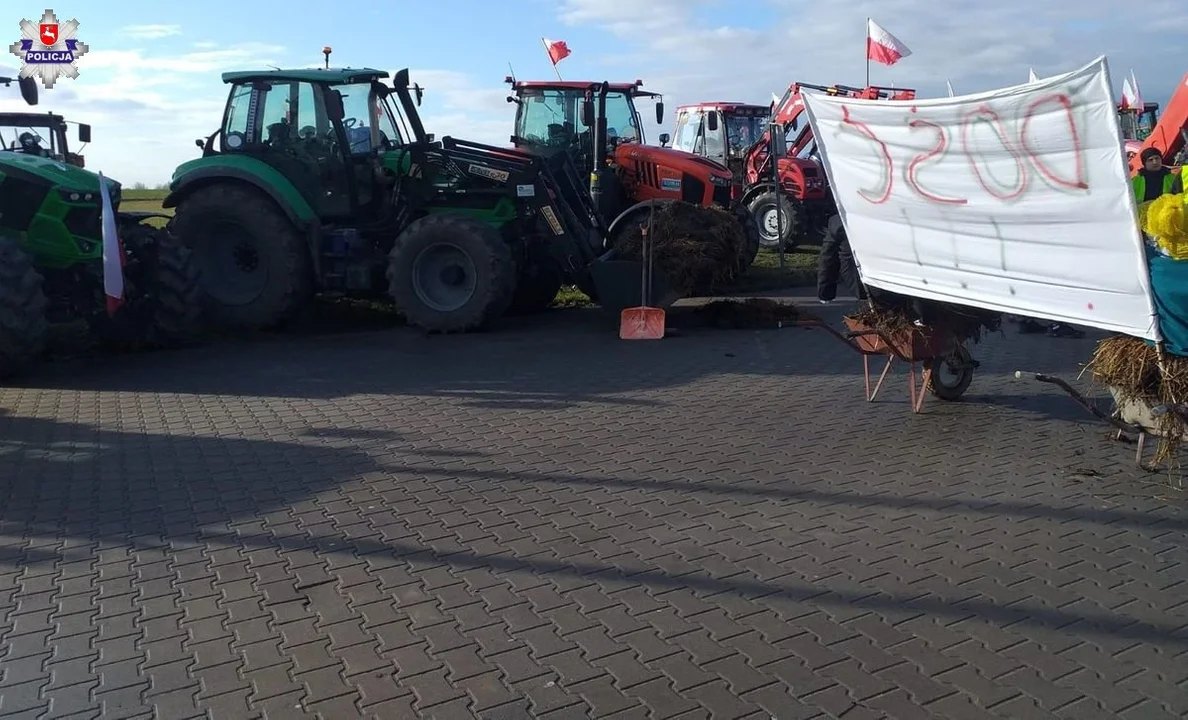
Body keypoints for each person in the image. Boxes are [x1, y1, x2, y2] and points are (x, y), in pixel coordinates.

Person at [817, 214, 866, 304]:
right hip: (893, 282)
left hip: (862, 285)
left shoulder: (841, 221)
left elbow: (828, 257)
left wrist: (825, 293)